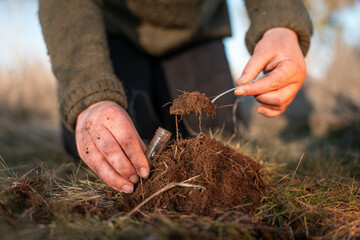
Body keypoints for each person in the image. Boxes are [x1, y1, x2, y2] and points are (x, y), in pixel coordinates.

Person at [39, 0, 313, 194]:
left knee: (218, 135)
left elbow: (280, 15)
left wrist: (281, 25)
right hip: (111, 31)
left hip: (195, 34)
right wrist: (91, 96)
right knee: (118, 142)